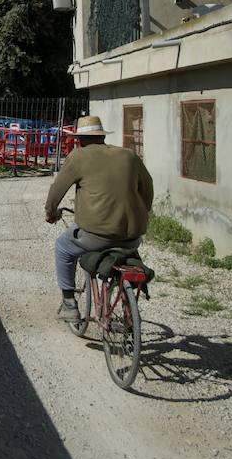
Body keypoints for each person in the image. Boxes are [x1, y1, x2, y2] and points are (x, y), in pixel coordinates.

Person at [44, 115, 153, 321]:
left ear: (78, 139)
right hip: (133, 236)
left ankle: (69, 304)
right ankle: (128, 309)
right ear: (102, 136)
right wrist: (143, 211)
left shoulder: (78, 156)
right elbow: (148, 187)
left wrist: (51, 213)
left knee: (63, 247)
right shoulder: (128, 155)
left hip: (96, 236)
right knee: (124, 250)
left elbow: (56, 193)